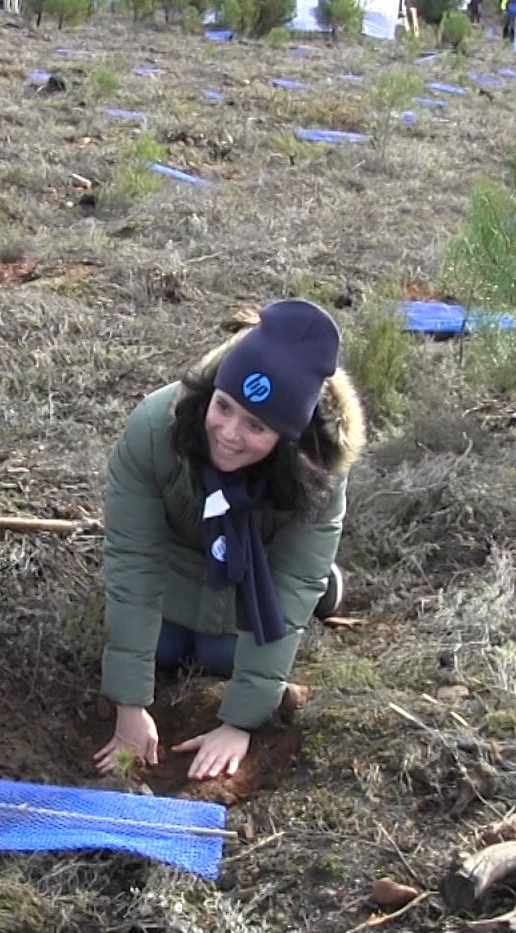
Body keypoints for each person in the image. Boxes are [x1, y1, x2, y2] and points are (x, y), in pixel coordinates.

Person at [96, 301, 365, 782]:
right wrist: (129, 704)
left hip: (256, 570)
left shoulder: (317, 471)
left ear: (287, 437)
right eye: (224, 408)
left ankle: (330, 587)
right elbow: (134, 561)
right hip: (180, 556)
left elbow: (289, 581)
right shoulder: (157, 426)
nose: (229, 435)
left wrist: (240, 721)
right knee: (161, 648)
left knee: (224, 656)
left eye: (256, 427)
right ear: (212, 393)